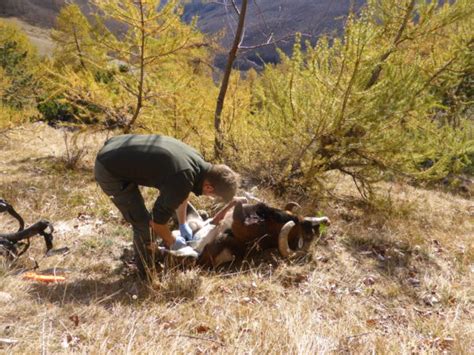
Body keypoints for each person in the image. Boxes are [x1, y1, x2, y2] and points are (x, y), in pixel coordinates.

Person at [94, 134, 239, 279]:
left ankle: (148, 258)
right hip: (109, 168)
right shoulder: (183, 178)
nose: (210, 197)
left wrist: (183, 223)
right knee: (144, 225)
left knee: (155, 221)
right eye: (213, 196)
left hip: (117, 146)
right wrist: (173, 242)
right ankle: (145, 273)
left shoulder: (198, 164)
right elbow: (156, 223)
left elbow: (183, 191)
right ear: (208, 187)